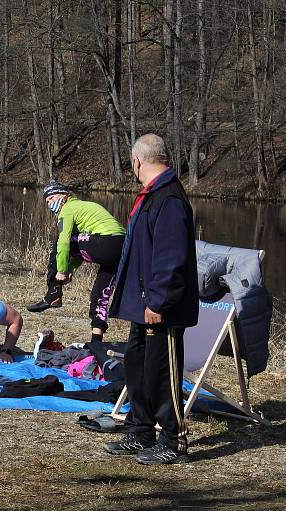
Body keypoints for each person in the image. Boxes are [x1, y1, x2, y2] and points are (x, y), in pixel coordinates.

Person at [103, 133, 198, 465]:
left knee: (163, 374)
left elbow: (171, 259)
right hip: (140, 305)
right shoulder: (151, 196)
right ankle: (140, 430)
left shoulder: (169, 199)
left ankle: (173, 440)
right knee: (138, 367)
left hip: (161, 309)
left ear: (137, 161)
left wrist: (158, 302)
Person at [27, 181, 125, 344]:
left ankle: (53, 292)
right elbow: (83, 244)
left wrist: (62, 270)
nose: (49, 203)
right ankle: (96, 342)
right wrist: (72, 267)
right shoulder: (82, 207)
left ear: (64, 195)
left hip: (108, 241)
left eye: (51, 198)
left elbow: (65, 243)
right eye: (46, 202)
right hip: (122, 248)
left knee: (59, 241)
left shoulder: (68, 209)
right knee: (99, 295)